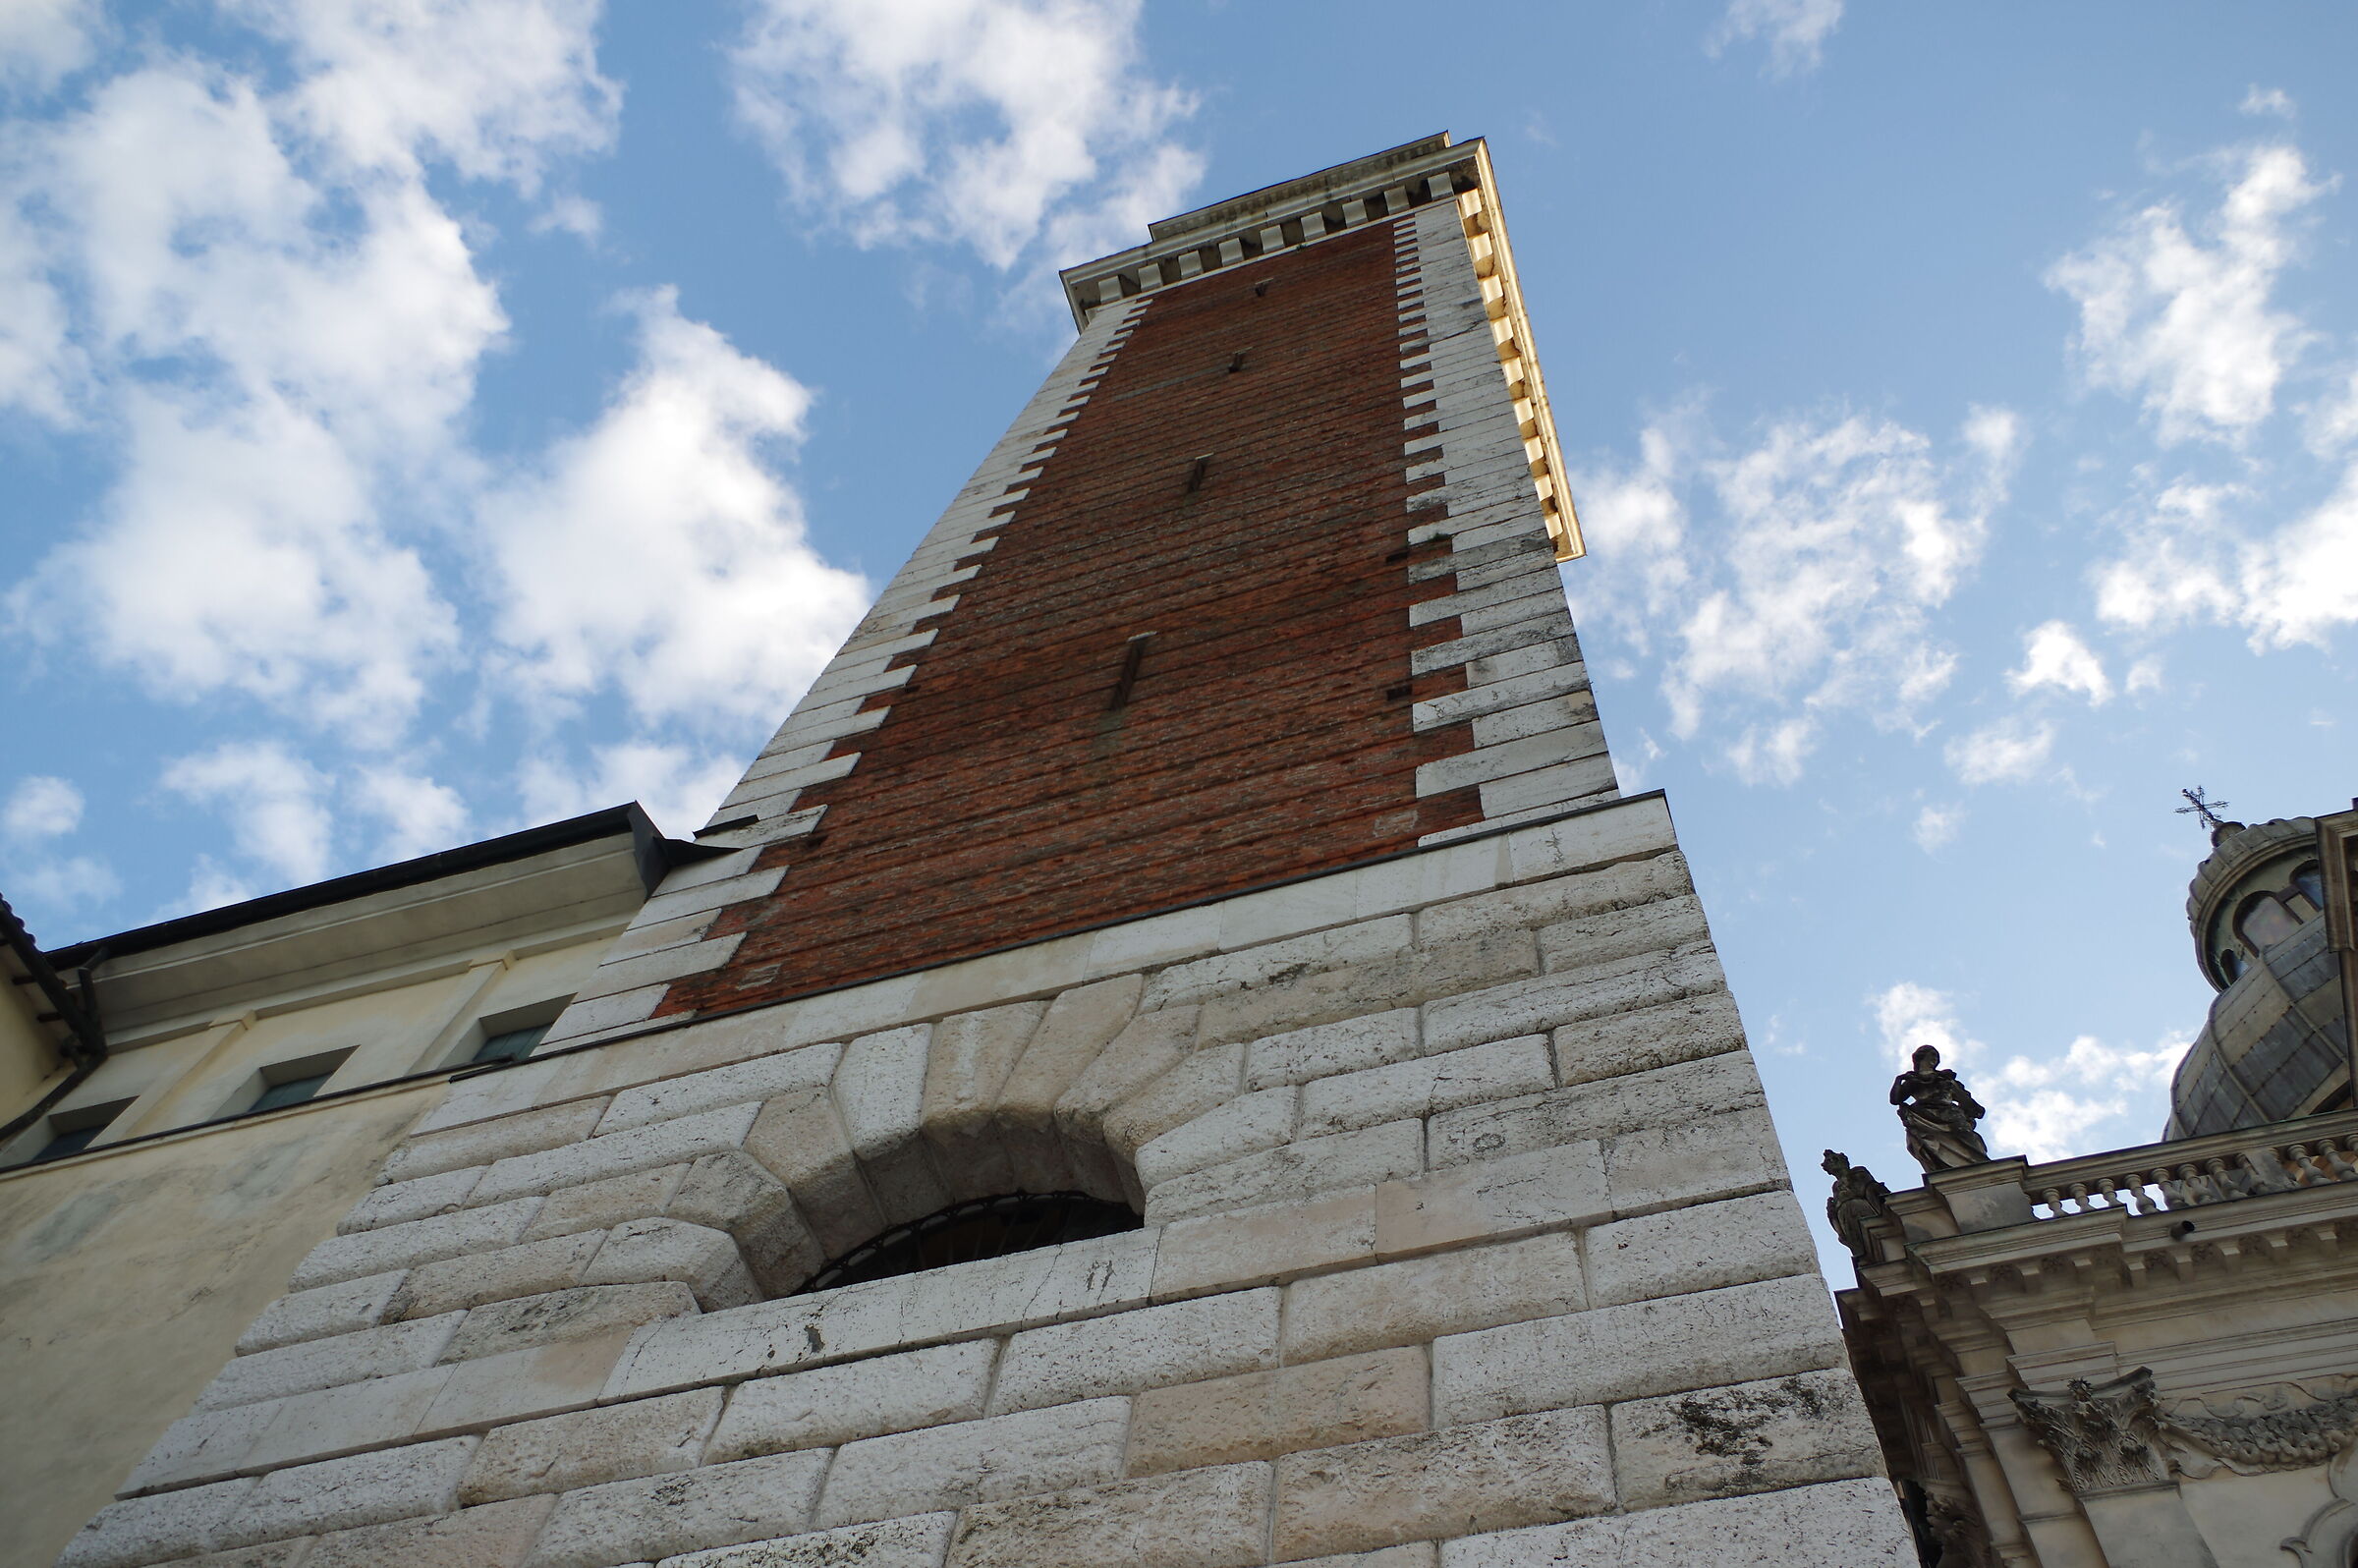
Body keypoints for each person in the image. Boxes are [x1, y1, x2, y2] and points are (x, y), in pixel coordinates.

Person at [1890, 1043, 1991, 1171]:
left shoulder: (1945, 1079)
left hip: (1949, 1113)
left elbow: (1964, 1099)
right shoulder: (1913, 1080)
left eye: (1937, 1056)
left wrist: (1974, 1108)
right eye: (1932, 1054)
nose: (1935, 1058)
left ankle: (1981, 1165)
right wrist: (1899, 1079)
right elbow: (1895, 1099)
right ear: (1920, 1057)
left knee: (1967, 1136)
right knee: (1930, 1145)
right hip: (1924, 1116)